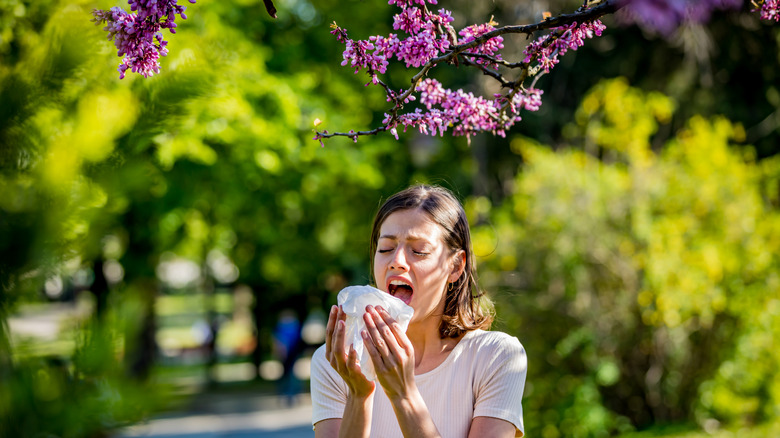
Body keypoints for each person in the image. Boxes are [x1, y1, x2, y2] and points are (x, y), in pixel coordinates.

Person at [311, 185, 527, 437]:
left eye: (419, 251)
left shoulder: (496, 357)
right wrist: (359, 395)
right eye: (385, 249)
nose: (396, 261)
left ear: (456, 266)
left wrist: (404, 394)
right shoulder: (336, 363)